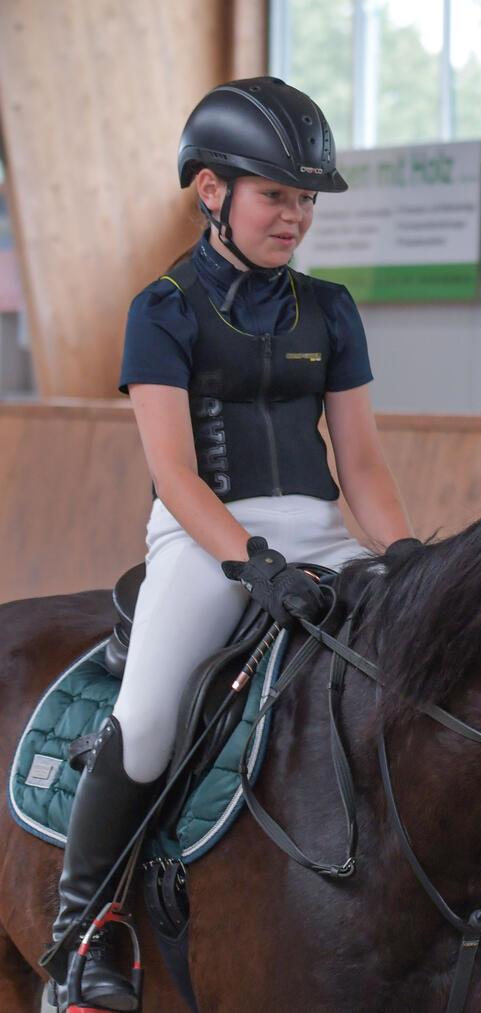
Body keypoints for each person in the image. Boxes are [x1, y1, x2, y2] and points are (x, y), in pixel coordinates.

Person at [47, 77, 414, 1010]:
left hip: (323, 534)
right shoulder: (161, 308)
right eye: (275, 195)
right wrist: (252, 564)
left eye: (304, 200)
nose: (294, 217)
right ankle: (86, 927)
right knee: (149, 719)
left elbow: (361, 465)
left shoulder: (331, 309)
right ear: (212, 190)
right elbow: (174, 471)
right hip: (204, 537)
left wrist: (409, 559)